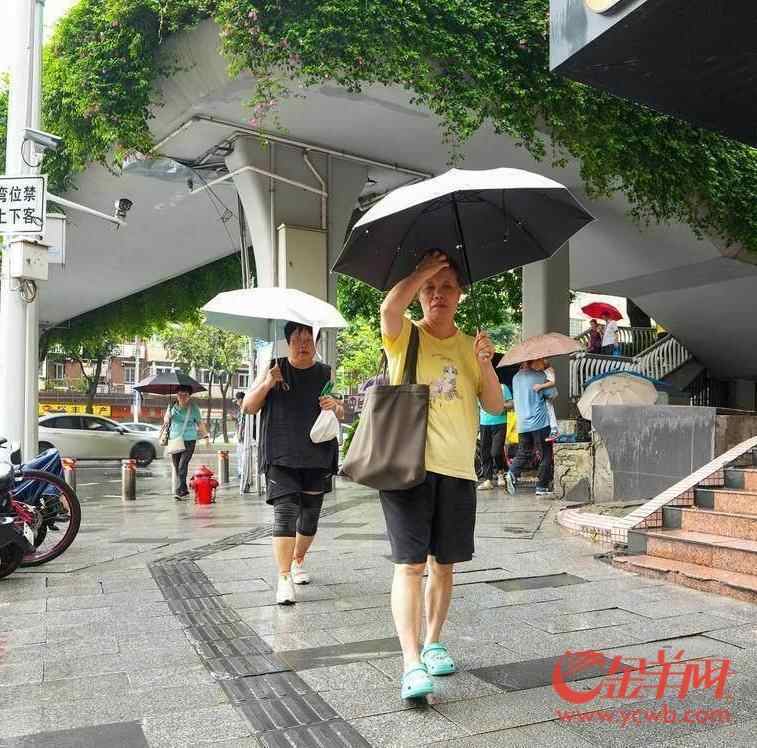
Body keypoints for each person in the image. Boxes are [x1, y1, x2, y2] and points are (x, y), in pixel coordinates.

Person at [380, 250, 504, 700]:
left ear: (460, 294)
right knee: (410, 565)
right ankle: (411, 662)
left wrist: (486, 363)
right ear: (419, 295)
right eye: (430, 288)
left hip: (457, 471)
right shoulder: (405, 335)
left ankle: (433, 642)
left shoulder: (471, 346)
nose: (437, 294)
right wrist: (420, 272)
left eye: (447, 286)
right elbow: (389, 309)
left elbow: (494, 405)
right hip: (408, 467)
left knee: (443, 564)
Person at [242, 322, 343, 606]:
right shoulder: (274, 368)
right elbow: (248, 407)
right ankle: (284, 577)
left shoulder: (326, 372)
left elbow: (340, 410)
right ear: (288, 342)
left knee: (309, 517)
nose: (303, 344)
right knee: (285, 512)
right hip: (281, 453)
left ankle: (298, 560)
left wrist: (335, 406)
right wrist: (267, 384)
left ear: (316, 343)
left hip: (317, 454)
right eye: (297, 339)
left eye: (308, 339)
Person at [505, 358, 555, 497]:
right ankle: (542, 486)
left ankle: (512, 473)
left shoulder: (516, 377)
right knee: (546, 454)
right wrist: (549, 374)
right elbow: (552, 395)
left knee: (524, 452)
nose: (542, 362)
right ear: (533, 361)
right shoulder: (540, 376)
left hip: (522, 423)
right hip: (540, 423)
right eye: (540, 360)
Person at [164, 385, 208, 500]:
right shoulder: (171, 406)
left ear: (189, 396)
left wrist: (206, 436)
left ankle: (179, 491)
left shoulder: (193, 408)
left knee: (182, 465)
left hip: (189, 440)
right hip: (174, 440)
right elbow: (166, 421)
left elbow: (199, 423)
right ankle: (184, 489)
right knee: (177, 467)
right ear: (176, 395)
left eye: (185, 395)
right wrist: (168, 416)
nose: (182, 397)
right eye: (180, 394)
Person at [477, 382, 514, 490]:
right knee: (485, 452)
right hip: (484, 423)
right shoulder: (480, 388)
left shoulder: (502, 387)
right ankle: (488, 480)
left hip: (500, 423)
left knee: (496, 452)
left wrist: (500, 405)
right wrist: (477, 426)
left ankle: (500, 473)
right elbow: (477, 408)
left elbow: (511, 404)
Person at [531, 358, 559, 442]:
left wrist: (540, 386)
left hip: (548, 394)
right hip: (544, 394)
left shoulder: (549, 370)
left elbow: (552, 382)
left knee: (549, 409)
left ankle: (554, 430)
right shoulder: (541, 372)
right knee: (547, 409)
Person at [234, 391, 246, 478]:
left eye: (237, 400)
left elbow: (242, 424)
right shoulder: (240, 410)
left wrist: (239, 434)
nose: (236, 402)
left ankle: (242, 472)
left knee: (242, 455)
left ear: (241, 399)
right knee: (240, 455)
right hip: (240, 436)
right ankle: (240, 472)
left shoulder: (244, 410)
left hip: (243, 437)